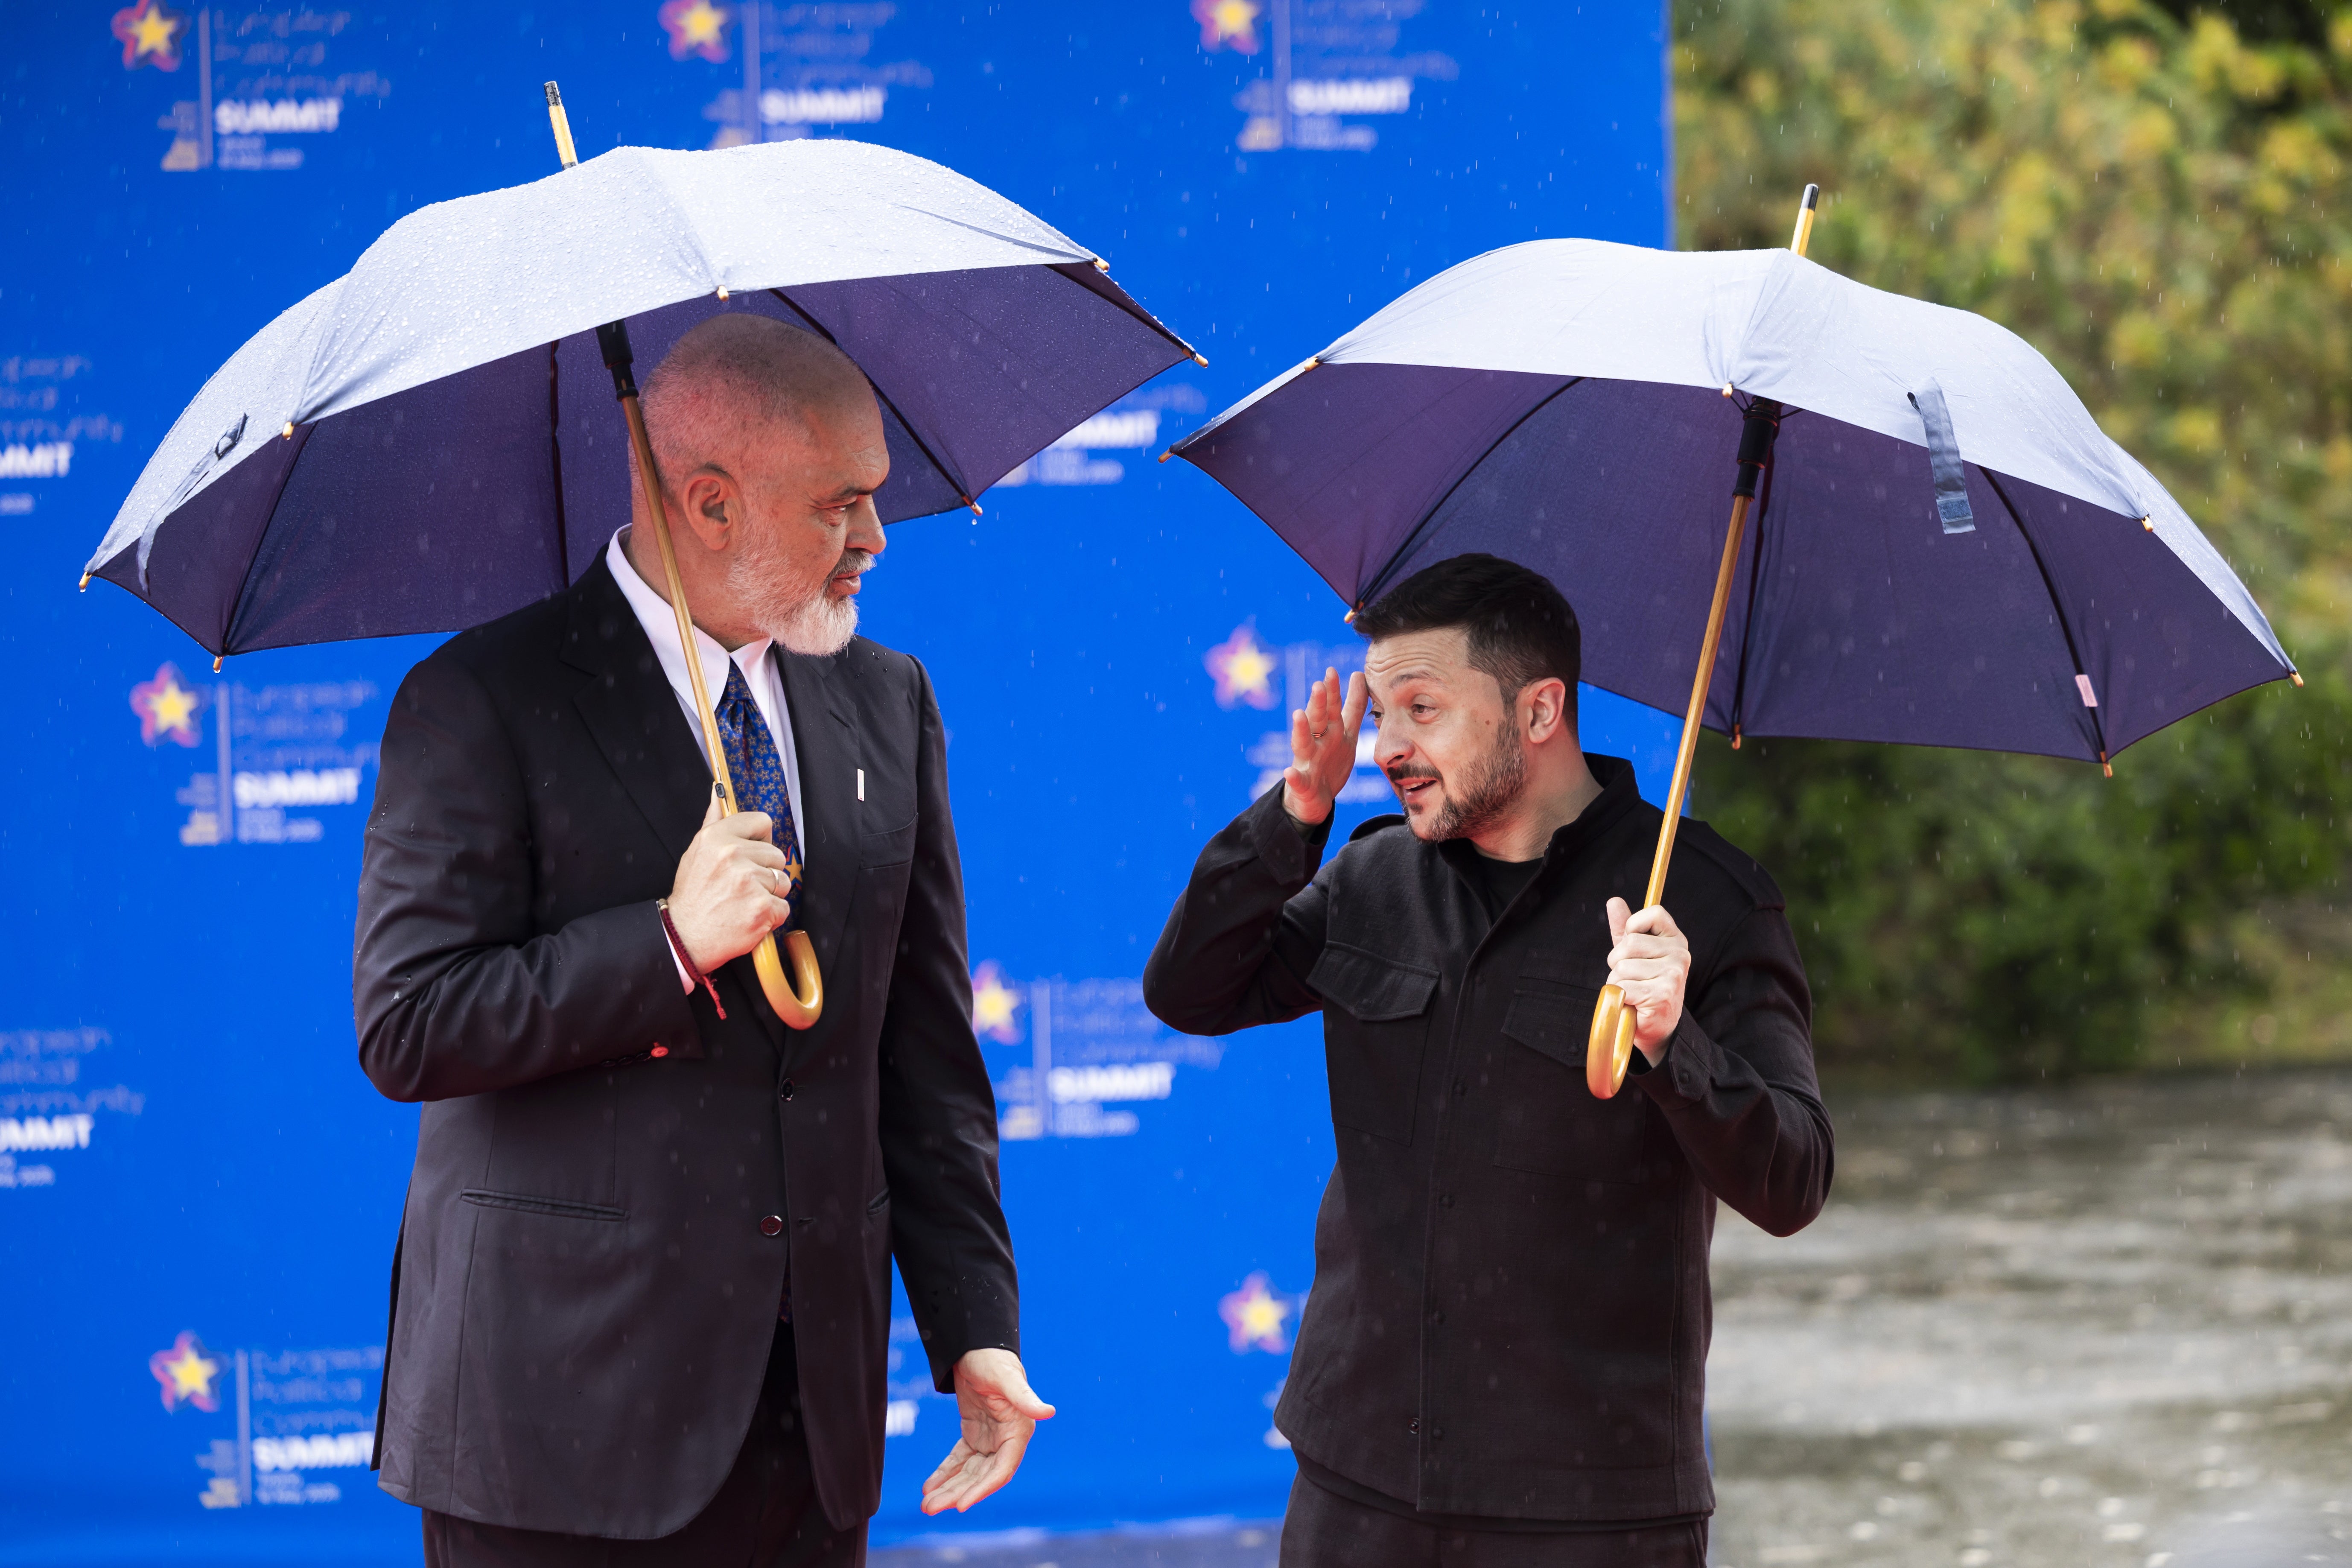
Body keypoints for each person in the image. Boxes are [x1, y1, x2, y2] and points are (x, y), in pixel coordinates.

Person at [354, 312, 1051, 1567]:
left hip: (812, 1430)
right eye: (840, 505)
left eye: (876, 499)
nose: (874, 541)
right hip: (556, 1429)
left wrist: (971, 1331)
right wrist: (668, 943)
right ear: (712, 503)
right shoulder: (479, 699)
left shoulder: (888, 698)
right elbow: (410, 1023)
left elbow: (920, 1052)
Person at [1143, 552, 1833, 1568]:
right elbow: (1190, 992)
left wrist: (1670, 1043)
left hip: (1591, 1511)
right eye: (1381, 714)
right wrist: (1294, 814)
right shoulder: (1370, 874)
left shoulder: (1709, 904)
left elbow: (1792, 1180)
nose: (1388, 747)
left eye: (1420, 710)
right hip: (1357, 1481)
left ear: (1540, 711)